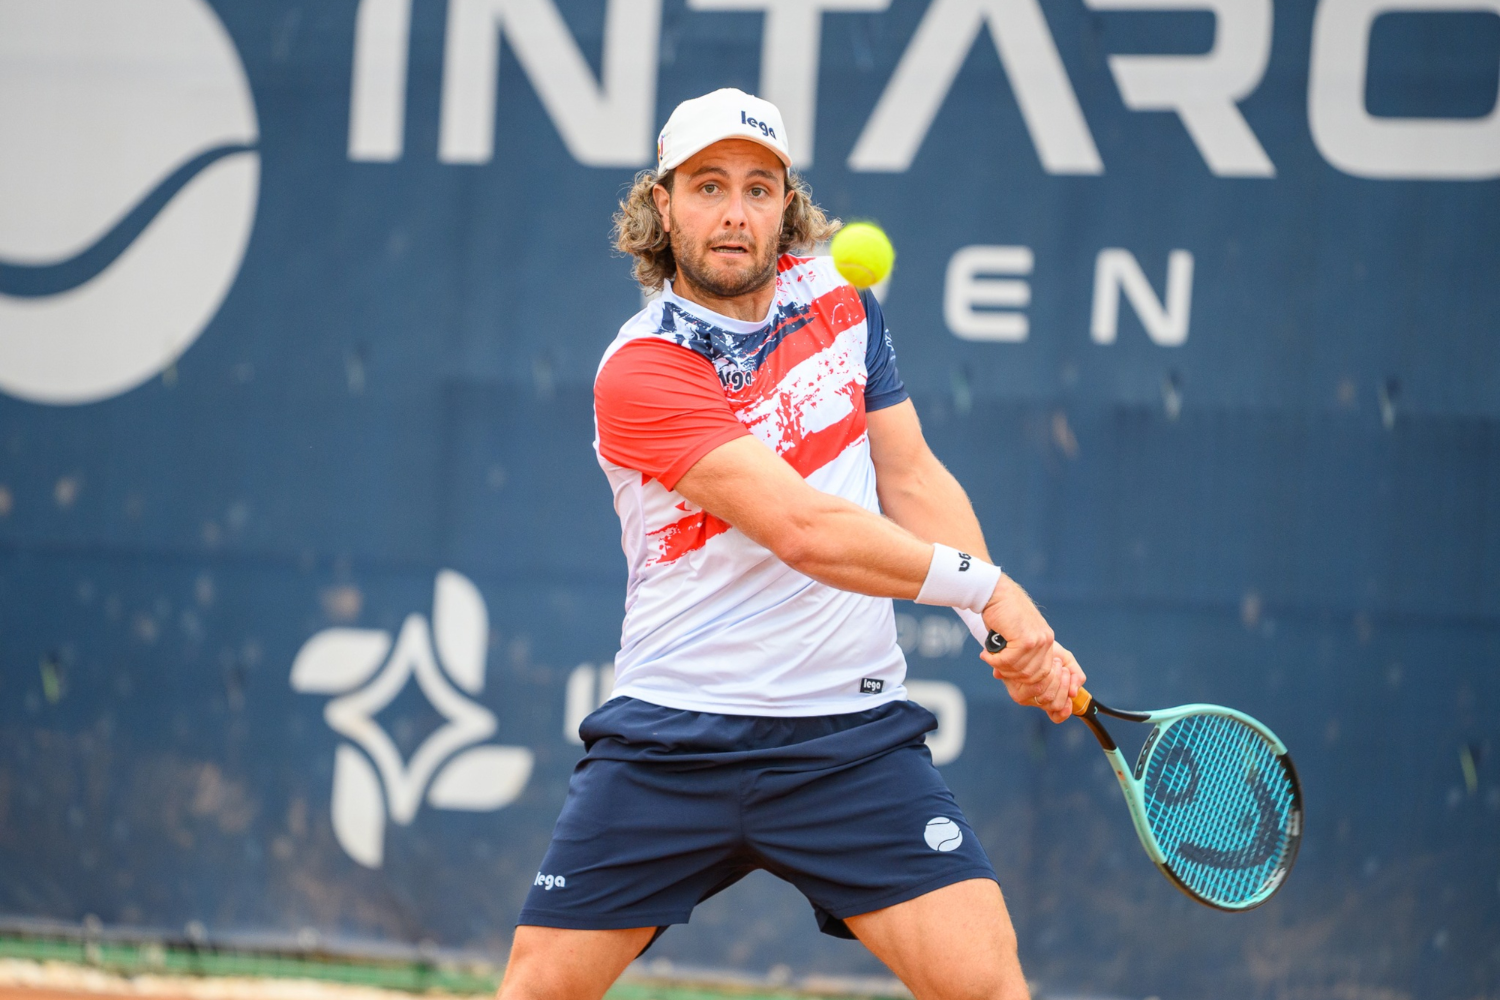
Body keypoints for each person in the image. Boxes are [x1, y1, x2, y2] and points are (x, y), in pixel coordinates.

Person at [499, 89, 1085, 1000]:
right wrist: (989, 587)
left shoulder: (843, 305)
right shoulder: (643, 367)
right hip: (675, 736)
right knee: (538, 993)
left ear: (786, 205)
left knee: (988, 987)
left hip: (851, 742)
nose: (734, 212)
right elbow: (801, 530)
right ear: (663, 205)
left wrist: (997, 629)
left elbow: (912, 478)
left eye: (758, 188)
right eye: (707, 186)